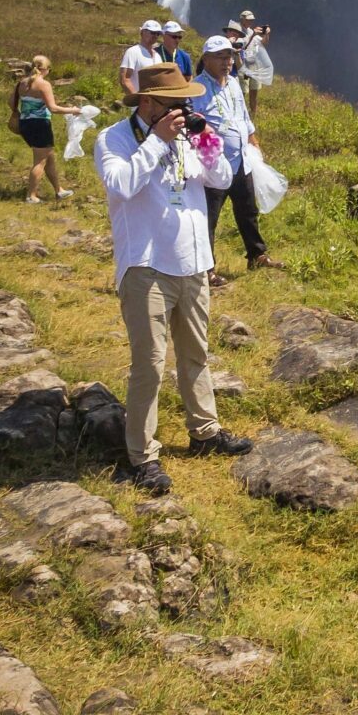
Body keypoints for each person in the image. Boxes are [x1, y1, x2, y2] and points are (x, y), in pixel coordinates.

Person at [93, 63, 252, 495]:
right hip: (146, 264)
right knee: (148, 364)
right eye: (174, 103)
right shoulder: (115, 138)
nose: (183, 109)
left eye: (186, 102)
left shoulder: (187, 135)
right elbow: (119, 184)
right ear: (148, 103)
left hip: (193, 262)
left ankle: (205, 432)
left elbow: (221, 176)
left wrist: (203, 138)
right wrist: (157, 143)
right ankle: (141, 457)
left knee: (196, 353)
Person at [194, 36, 286, 285]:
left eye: (229, 56)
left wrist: (253, 139)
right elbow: (193, 126)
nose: (227, 62)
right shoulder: (196, 89)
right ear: (206, 60)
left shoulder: (234, 83)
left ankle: (257, 254)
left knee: (248, 210)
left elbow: (243, 116)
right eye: (220, 57)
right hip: (213, 165)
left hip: (241, 161)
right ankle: (206, 269)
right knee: (208, 218)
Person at [9, 56, 78, 203]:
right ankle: (31, 195)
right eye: (49, 69)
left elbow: (11, 103)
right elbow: (53, 108)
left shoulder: (21, 83)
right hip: (40, 125)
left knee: (49, 158)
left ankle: (59, 190)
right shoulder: (43, 84)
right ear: (44, 69)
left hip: (25, 124)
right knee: (40, 161)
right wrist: (72, 110)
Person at [239, 19, 273, 118]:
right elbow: (243, 45)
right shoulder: (239, 33)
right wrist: (252, 34)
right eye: (247, 20)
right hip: (245, 66)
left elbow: (264, 42)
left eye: (251, 20)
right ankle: (240, 113)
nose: (250, 21)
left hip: (255, 66)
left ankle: (253, 115)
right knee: (243, 91)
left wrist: (267, 34)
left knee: (254, 92)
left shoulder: (255, 35)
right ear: (242, 20)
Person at [121, 20, 163, 98]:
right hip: (140, 105)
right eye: (152, 32)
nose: (155, 36)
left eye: (158, 34)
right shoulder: (133, 52)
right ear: (142, 32)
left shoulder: (158, 56)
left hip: (156, 104)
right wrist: (137, 100)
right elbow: (125, 79)